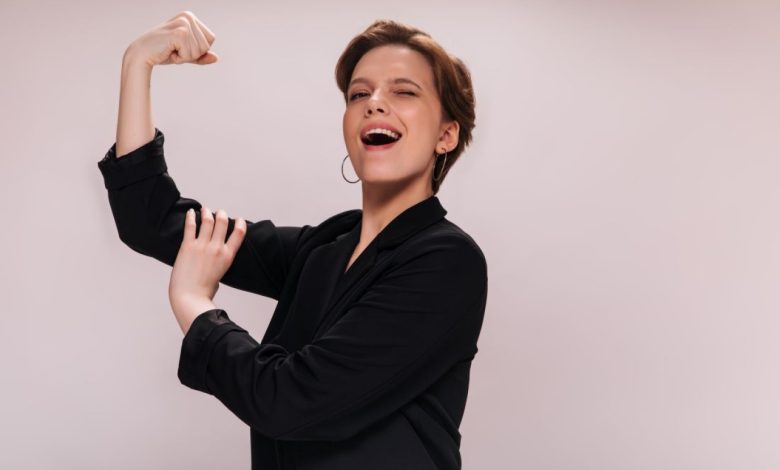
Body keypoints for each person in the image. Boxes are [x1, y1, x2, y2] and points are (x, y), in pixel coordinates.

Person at [97, 11, 487, 470]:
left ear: (446, 134)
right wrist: (137, 63)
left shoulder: (447, 260)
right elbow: (152, 222)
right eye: (359, 94)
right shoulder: (324, 247)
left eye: (404, 91)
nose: (374, 104)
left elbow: (291, 402)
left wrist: (194, 304)